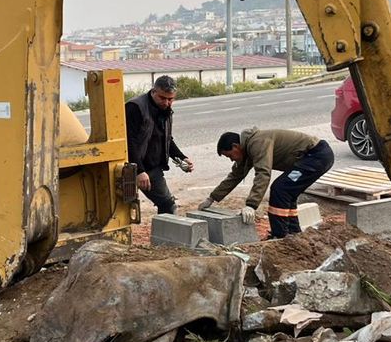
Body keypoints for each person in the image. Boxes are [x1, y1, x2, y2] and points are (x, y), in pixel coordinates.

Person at [199, 127, 334, 238]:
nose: (231, 159)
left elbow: (263, 173)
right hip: (310, 159)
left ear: (236, 146)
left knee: (280, 189)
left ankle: (280, 235)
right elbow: (235, 176)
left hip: (316, 157)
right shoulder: (247, 150)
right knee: (287, 192)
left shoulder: (257, 143)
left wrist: (251, 205)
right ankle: (293, 232)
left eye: (230, 155)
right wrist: (212, 198)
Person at [125, 75, 192, 215]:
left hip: (153, 168)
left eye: (170, 99)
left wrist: (181, 157)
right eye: (162, 98)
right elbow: (129, 141)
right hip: (132, 167)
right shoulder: (135, 107)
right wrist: (139, 171)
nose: (166, 103)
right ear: (153, 91)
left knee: (168, 206)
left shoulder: (166, 109)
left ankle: (165, 230)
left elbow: (165, 138)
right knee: (121, 210)